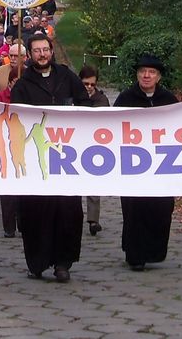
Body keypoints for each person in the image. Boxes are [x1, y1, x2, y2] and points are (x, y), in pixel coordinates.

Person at [9, 32, 90, 282]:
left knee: (69, 212)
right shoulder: (23, 85)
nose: (42, 54)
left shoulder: (67, 77)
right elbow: (15, 119)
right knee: (36, 212)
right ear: (30, 55)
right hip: (36, 159)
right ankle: (38, 261)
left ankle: (63, 263)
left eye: (45, 50)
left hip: (66, 158)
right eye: (36, 51)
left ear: (51, 51)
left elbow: (85, 106)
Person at [113, 55, 179, 269]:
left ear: (158, 76)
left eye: (151, 72)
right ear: (137, 74)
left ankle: (154, 251)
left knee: (162, 207)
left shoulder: (169, 100)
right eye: (143, 71)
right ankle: (134, 254)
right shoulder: (125, 98)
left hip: (162, 163)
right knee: (135, 209)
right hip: (132, 164)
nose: (147, 75)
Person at [77, 64, 110, 237]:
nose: (89, 87)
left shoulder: (101, 99)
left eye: (92, 84)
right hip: (75, 142)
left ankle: (93, 219)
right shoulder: (74, 97)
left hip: (94, 144)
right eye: (85, 84)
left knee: (93, 184)